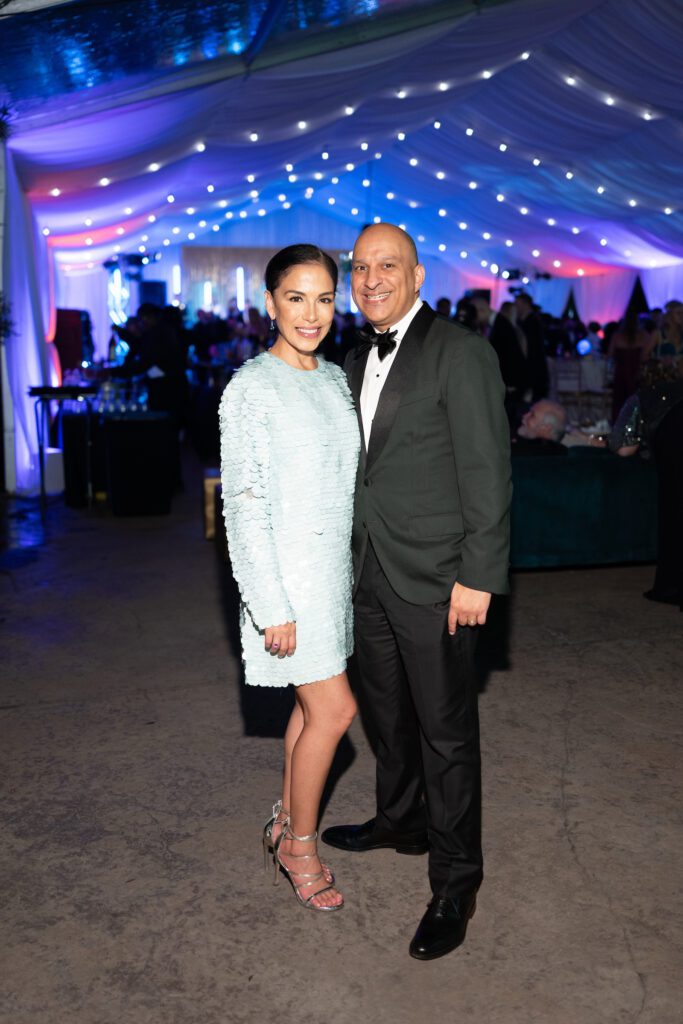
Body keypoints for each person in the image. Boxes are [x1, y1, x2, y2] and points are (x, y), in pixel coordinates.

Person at [321, 224, 511, 960]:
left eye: (386, 266)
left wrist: (478, 575)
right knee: (386, 715)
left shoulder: (460, 353)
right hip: (365, 570)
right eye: (360, 267)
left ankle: (456, 881)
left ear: (416, 273)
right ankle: (398, 818)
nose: (371, 279)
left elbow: (487, 473)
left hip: (438, 579)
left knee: (445, 734)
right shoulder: (346, 356)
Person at [219, 245, 360, 911]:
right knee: (336, 709)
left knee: (310, 711)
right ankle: (298, 845)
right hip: (286, 583)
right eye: (296, 298)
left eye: (324, 298)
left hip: (331, 578)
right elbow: (244, 506)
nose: (311, 313)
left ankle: (286, 814)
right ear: (270, 303)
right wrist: (269, 603)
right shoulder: (250, 388)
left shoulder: (333, 380)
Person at [609, 365, 683, 609]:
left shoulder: (641, 397)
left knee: (675, 514)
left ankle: (672, 585)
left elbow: (623, 448)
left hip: (676, 449)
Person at [515, 292, 549, 399]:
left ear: (525, 304)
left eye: (517, 304)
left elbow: (532, 348)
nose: (515, 307)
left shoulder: (532, 321)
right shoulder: (525, 321)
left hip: (534, 369)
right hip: (532, 368)